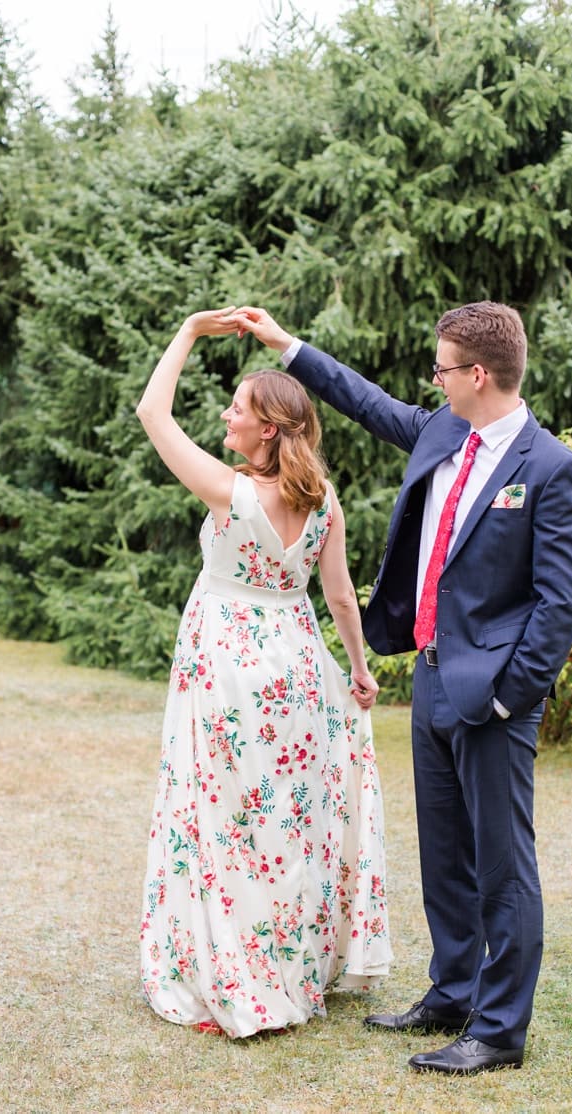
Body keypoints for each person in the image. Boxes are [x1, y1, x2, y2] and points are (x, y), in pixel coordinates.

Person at [226, 300, 572, 1074]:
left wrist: (506, 695)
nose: (434, 380)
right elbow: (362, 400)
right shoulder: (441, 431)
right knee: (446, 856)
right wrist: (285, 346)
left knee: (503, 864)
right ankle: (452, 990)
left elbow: (560, 605)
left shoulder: (552, 469)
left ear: (478, 374)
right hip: (428, 681)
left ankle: (497, 1031)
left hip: (492, 698)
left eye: (442, 367)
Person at [135, 307, 391, 1038]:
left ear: (268, 430)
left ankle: (232, 975)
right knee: (284, 822)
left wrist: (186, 330)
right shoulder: (323, 501)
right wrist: (359, 669)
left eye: (238, 409)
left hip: (227, 663)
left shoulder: (234, 493)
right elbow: (339, 596)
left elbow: (154, 412)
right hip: (298, 663)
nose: (226, 415)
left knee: (223, 822)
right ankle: (287, 966)